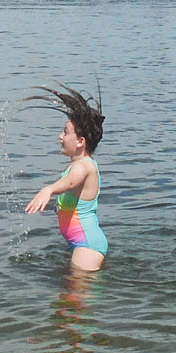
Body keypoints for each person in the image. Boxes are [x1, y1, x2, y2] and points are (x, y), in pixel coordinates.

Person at [25, 84, 108, 271]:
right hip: (81, 242)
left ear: (80, 142)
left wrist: (49, 189)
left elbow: (70, 182)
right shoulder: (80, 164)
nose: (60, 136)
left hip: (87, 245)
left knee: (75, 298)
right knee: (71, 297)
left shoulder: (84, 166)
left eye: (65, 132)